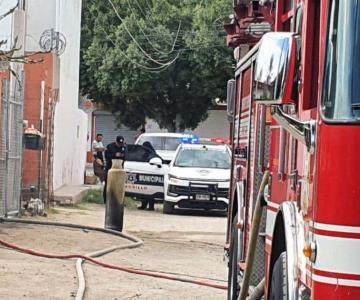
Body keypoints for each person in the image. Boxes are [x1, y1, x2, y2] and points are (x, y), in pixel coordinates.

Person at [103, 136, 128, 203]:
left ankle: (118, 200)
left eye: (121, 144)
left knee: (119, 184)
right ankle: (106, 200)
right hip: (110, 167)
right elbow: (106, 156)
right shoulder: (110, 146)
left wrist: (122, 155)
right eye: (119, 144)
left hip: (120, 168)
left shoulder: (124, 147)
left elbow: (126, 156)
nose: (120, 145)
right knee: (108, 183)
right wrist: (114, 155)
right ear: (116, 141)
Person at [137, 141, 157, 211]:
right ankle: (144, 205)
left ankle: (150, 206)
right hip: (145, 173)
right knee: (145, 191)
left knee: (149, 192)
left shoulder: (152, 153)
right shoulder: (147, 153)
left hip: (150, 174)